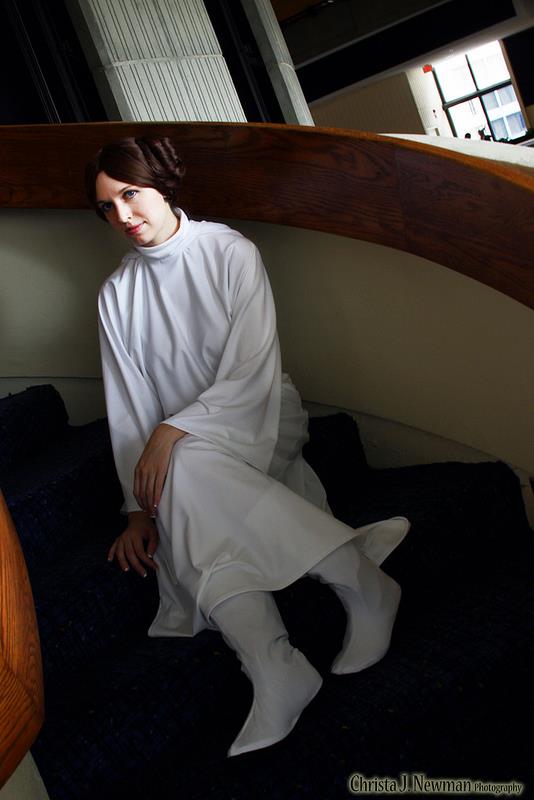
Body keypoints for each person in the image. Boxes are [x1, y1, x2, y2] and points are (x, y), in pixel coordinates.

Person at [85, 136, 410, 758]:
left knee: (183, 471)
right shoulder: (116, 295)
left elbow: (250, 370)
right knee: (182, 475)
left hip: (261, 413)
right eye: (107, 206)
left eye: (130, 194)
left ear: (161, 185)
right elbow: (130, 407)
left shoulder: (229, 251)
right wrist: (136, 507)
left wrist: (173, 431)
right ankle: (312, 625)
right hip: (185, 452)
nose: (122, 214)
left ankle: (286, 653)